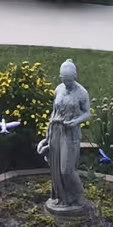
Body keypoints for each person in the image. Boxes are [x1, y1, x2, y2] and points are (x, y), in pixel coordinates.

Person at [38, 59, 92, 213]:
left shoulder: (82, 93)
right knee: (56, 168)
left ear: (74, 77)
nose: (66, 83)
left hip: (71, 134)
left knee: (66, 170)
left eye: (69, 80)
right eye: (64, 80)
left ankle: (79, 196)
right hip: (56, 131)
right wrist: (47, 135)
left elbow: (87, 113)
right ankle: (63, 198)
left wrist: (76, 122)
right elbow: (53, 112)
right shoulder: (59, 89)